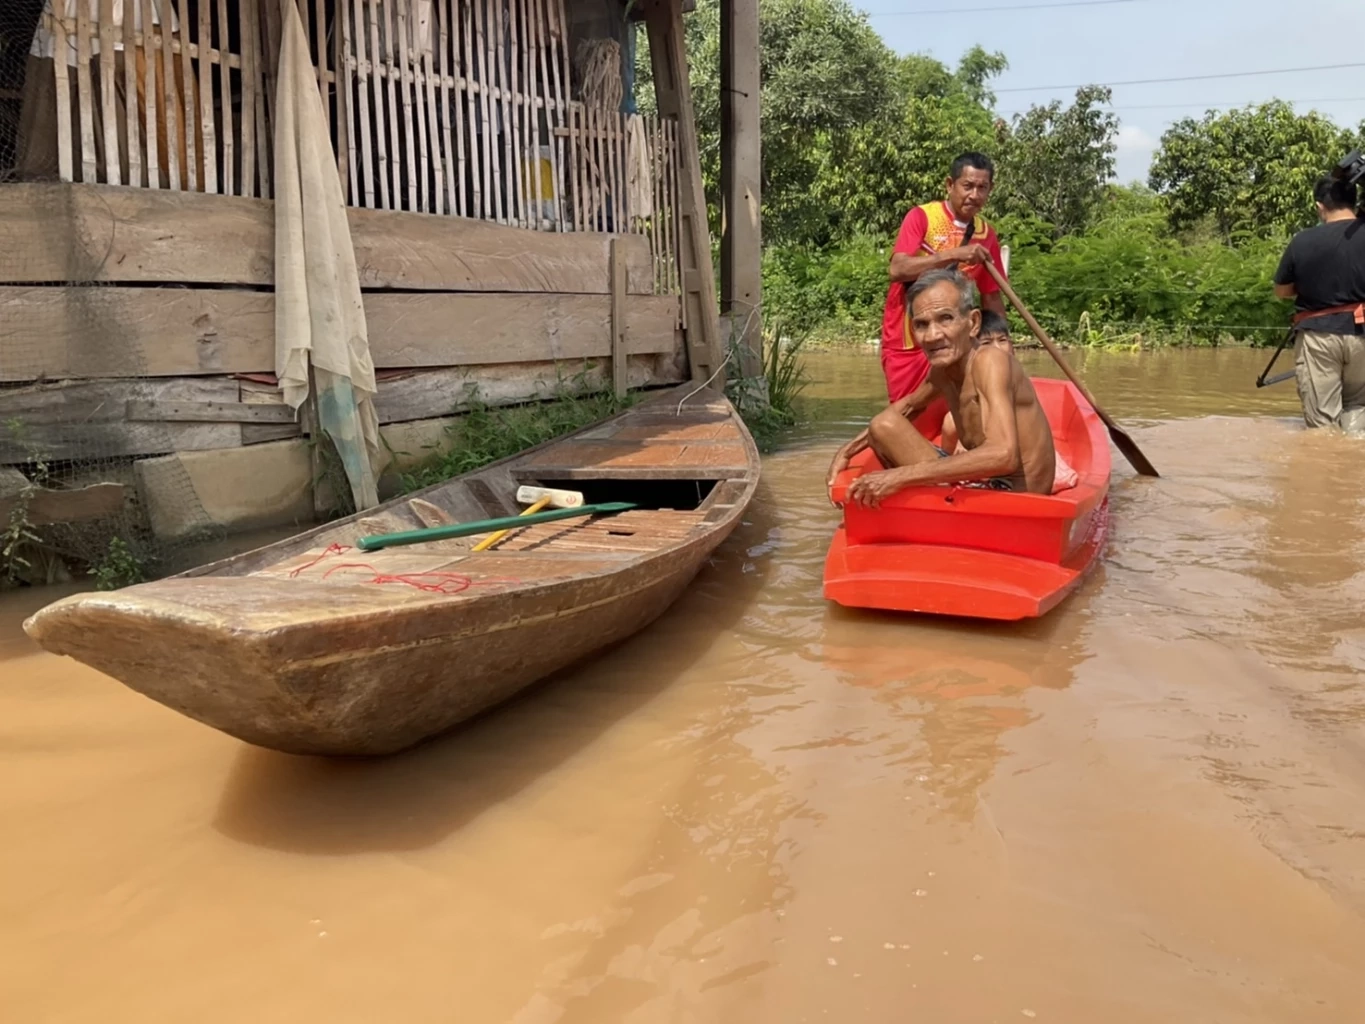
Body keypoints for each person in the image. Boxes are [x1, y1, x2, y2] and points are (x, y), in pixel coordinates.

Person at [831, 270, 1056, 502]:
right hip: (984, 482)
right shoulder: (943, 370)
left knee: (899, 472)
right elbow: (908, 407)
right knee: (883, 425)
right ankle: (917, 510)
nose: (933, 335)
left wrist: (900, 476)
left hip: (1017, 496)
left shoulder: (990, 361)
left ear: (973, 322)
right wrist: (847, 451)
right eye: (921, 324)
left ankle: (916, 509)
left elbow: (1003, 455)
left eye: (946, 319)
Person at [879, 152, 1009, 405]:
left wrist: (1002, 346)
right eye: (967, 186)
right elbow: (897, 268)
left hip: (955, 340)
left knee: (959, 408)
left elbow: (991, 296)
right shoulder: (923, 217)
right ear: (951, 185)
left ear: (990, 190)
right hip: (907, 339)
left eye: (982, 188)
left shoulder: (986, 234)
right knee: (906, 410)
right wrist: (954, 255)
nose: (974, 195)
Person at [1272, 174, 1365, 433]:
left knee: (1323, 426)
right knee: (1360, 414)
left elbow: (1281, 291)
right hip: (1363, 335)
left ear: (1319, 206)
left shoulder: (1303, 240)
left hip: (1319, 338)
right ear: (1354, 201)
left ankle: (1323, 468)